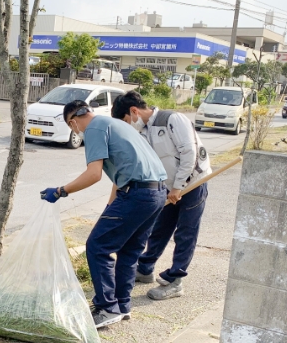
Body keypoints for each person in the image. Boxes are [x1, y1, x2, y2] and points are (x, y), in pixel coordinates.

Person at [40, 100, 167, 328]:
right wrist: (110, 209)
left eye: (72, 128)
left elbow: (94, 174)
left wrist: (61, 191)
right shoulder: (118, 125)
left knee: (98, 247)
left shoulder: (95, 128)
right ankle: (122, 306)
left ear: (73, 122)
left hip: (136, 194)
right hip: (156, 193)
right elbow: (121, 176)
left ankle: (107, 307)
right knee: (129, 252)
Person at [111, 92, 211, 300]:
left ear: (134, 111)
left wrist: (178, 187)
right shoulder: (143, 132)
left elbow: (189, 154)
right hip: (167, 185)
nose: (128, 125)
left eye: (126, 121)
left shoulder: (172, 119)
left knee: (185, 232)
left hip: (193, 183)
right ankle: (145, 268)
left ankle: (175, 280)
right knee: (159, 228)